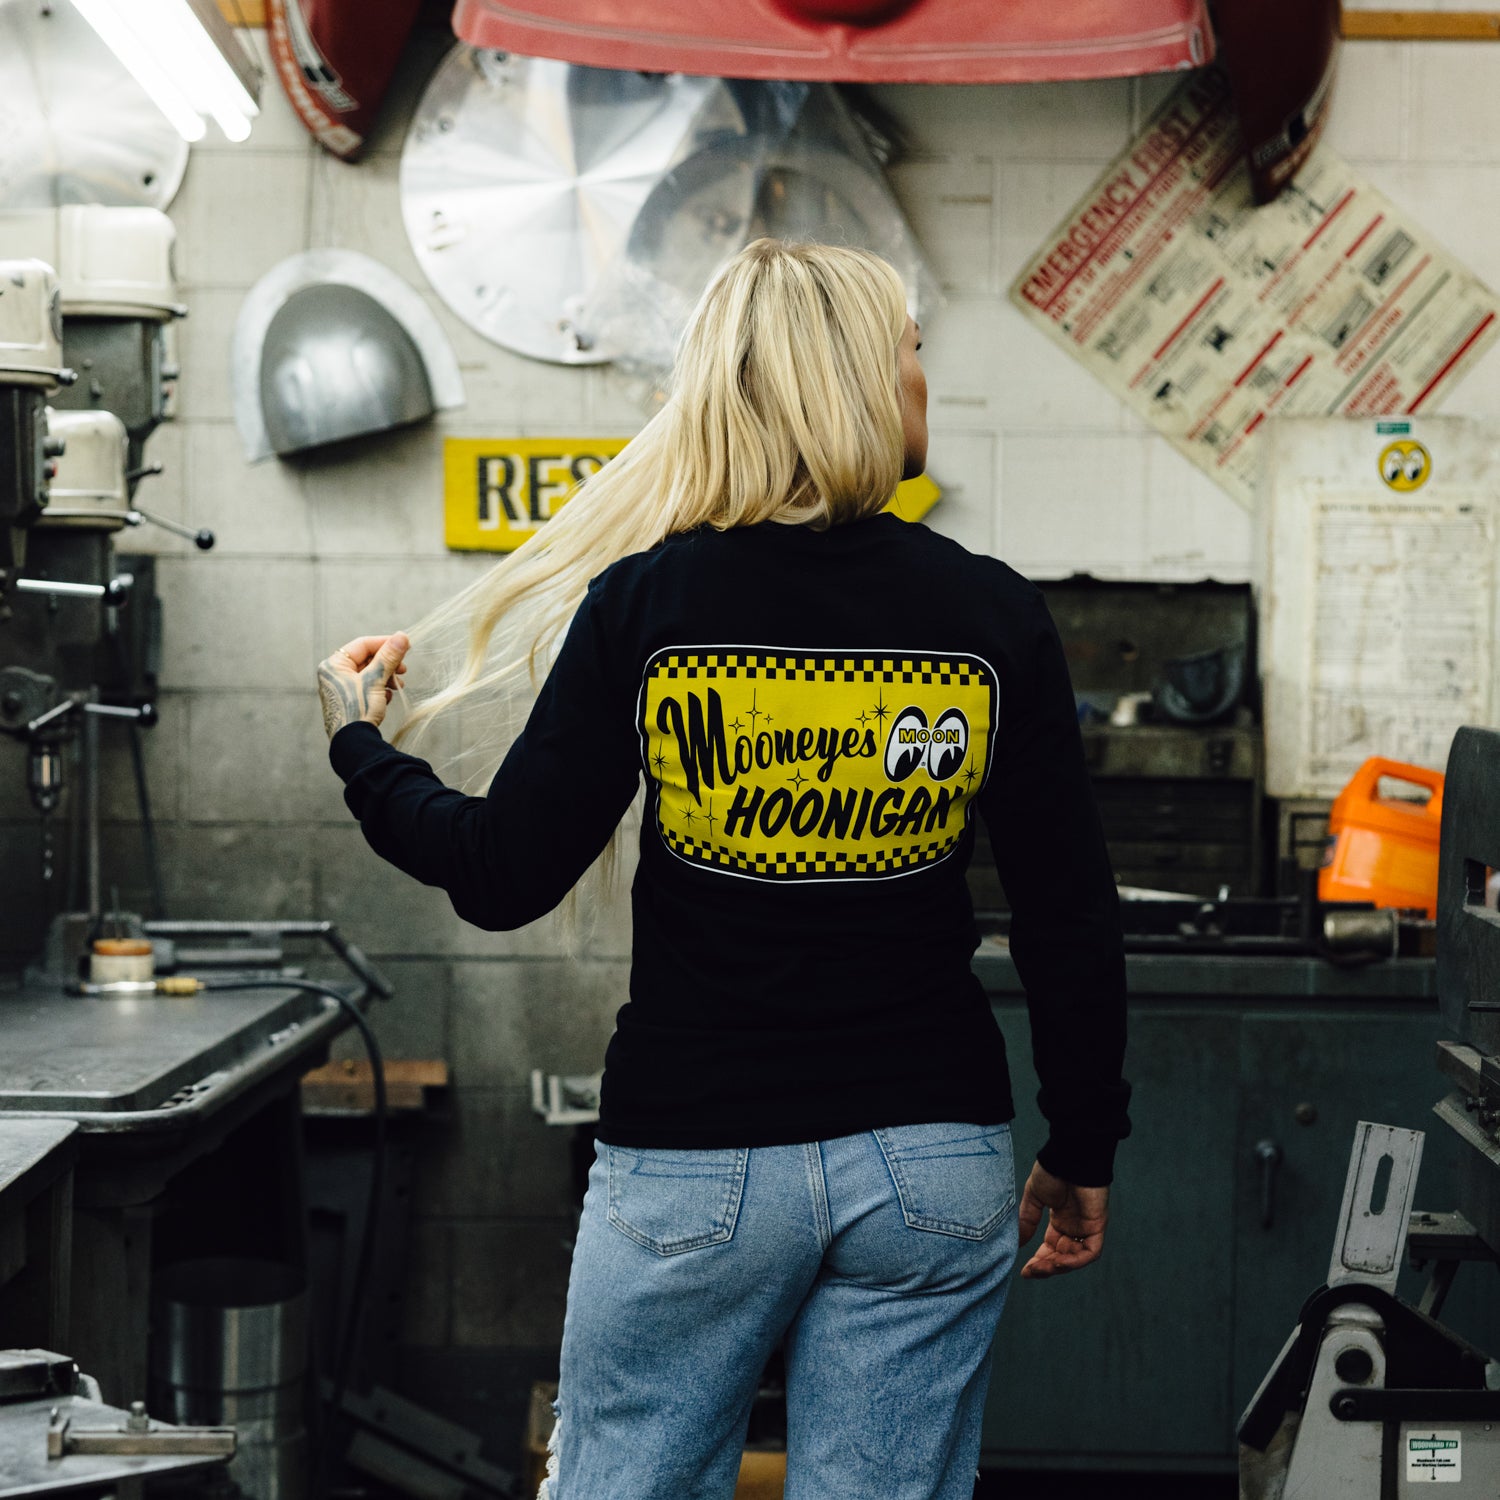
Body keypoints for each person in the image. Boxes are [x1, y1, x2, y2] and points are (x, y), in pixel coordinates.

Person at [317, 238, 1129, 1500]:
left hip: (695, 1161)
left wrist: (361, 750)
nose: (923, 379)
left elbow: (500, 872)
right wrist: (1083, 1138)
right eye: (911, 352)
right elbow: (1067, 914)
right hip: (930, 1160)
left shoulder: (652, 604)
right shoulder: (989, 614)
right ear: (848, 383)